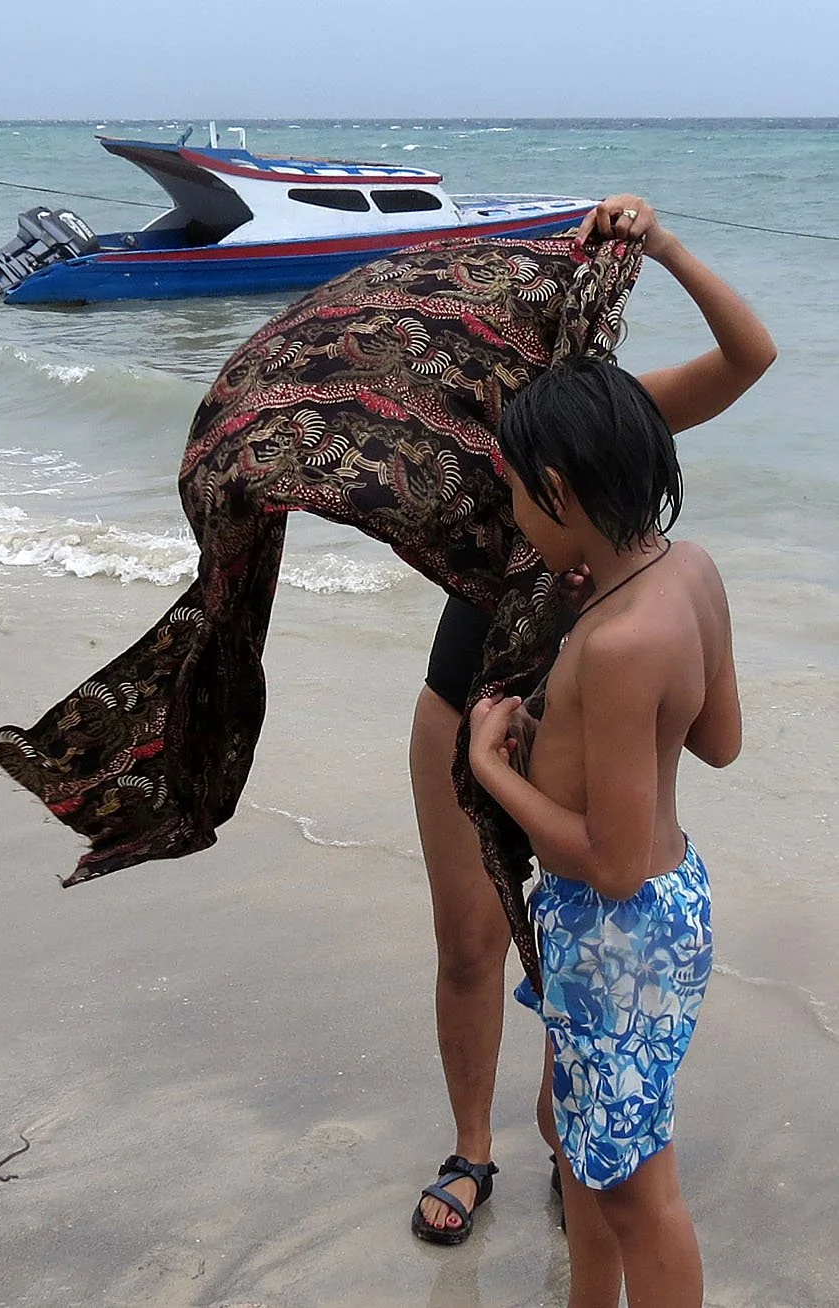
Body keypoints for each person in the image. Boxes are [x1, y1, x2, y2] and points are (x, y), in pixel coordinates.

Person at [410, 195, 776, 1244]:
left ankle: (581, 1148)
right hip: (465, 700)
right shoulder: (437, 446)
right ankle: (474, 1148)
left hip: (579, 710)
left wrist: (659, 246)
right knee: (474, 944)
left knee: (576, 943)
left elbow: (750, 357)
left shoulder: (588, 433)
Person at [464, 351, 743, 1308]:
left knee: (638, 1191)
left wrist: (494, 771)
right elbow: (720, 741)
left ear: (558, 490)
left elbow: (611, 863)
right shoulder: (689, 572)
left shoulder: (618, 642)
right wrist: (582, 731)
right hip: (670, 916)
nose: (513, 521)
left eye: (517, 499)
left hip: (617, 932)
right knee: (577, 1137)